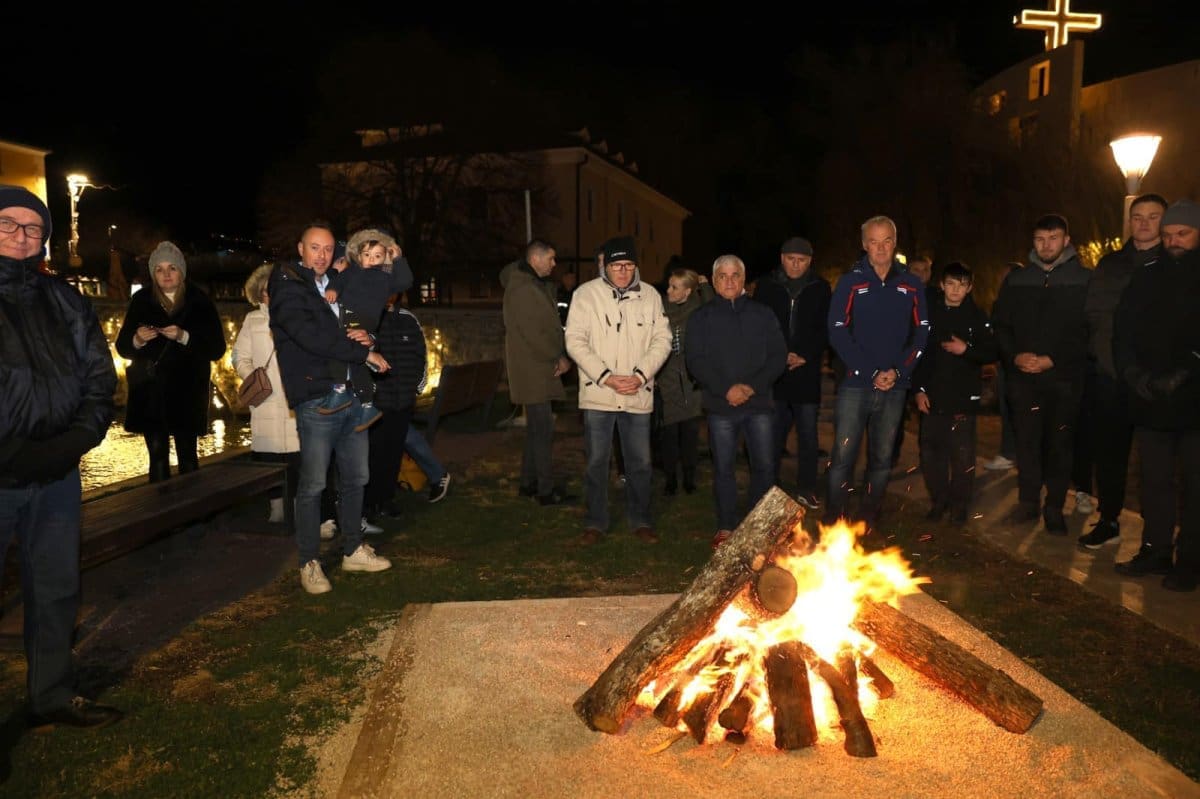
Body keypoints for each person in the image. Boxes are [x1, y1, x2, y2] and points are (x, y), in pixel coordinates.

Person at [0, 185, 123, 728]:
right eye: (8, 224)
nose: (20, 236)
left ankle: (50, 693)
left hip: (57, 473)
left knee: (55, 587)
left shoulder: (69, 301)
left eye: (32, 228)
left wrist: (72, 444)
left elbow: (100, 381)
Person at [268, 221, 394, 594]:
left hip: (352, 394)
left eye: (327, 249)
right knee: (314, 484)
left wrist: (367, 336)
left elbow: (359, 323)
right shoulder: (289, 285)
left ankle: (353, 548)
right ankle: (309, 561)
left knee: (357, 477)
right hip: (317, 398)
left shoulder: (336, 283)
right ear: (300, 249)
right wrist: (363, 352)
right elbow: (312, 337)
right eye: (314, 248)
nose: (322, 255)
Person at [1112, 200, 1200, 591]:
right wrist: (1133, 373)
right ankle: (1157, 548)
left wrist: (1184, 372)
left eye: (1182, 234)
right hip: (1150, 400)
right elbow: (1123, 330)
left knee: (1195, 485)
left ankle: (1192, 559)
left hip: (1194, 402)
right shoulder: (1146, 276)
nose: (1173, 241)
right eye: (1168, 235)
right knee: (1154, 481)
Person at [823, 216, 930, 534]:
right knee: (843, 456)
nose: (880, 248)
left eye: (886, 241)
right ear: (864, 244)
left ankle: (869, 518)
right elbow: (837, 331)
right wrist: (869, 371)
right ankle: (834, 521)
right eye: (874, 241)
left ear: (894, 244)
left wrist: (898, 371)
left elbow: (921, 332)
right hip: (856, 385)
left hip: (895, 387)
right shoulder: (850, 282)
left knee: (882, 459)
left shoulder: (911, 284)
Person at [565, 235, 672, 545]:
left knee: (640, 461)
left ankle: (640, 519)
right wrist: (606, 376)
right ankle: (596, 522)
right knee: (597, 461)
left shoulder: (650, 296)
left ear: (635, 266)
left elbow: (662, 340)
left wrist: (640, 375)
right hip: (599, 394)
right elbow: (575, 340)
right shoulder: (585, 295)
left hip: (637, 394)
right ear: (605, 266)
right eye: (616, 265)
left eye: (628, 265)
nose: (623, 271)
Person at [1074, 194, 1167, 549]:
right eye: (1138, 217)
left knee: (1155, 465)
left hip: (1152, 382)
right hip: (1110, 377)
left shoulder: (1172, 264)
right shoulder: (1111, 264)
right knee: (1110, 456)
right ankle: (1109, 519)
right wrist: (1110, 365)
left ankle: (1155, 536)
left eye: (1152, 216)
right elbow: (1094, 316)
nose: (1143, 223)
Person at [991, 214, 1091, 534]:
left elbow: (1089, 331)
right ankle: (1028, 502)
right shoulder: (1018, 280)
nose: (1046, 245)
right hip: (1023, 379)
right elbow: (1001, 325)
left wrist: (1053, 359)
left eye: (1053, 238)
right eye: (1039, 239)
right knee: (1027, 443)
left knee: (1060, 444)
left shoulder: (1084, 280)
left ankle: (1054, 508)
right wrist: (1015, 355)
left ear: (1066, 240)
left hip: (1063, 379)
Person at [686, 255, 787, 548]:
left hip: (759, 405)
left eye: (735, 276)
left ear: (743, 280)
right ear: (714, 280)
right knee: (724, 468)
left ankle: (758, 528)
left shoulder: (763, 314)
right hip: (721, 406)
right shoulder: (701, 318)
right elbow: (696, 360)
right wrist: (725, 389)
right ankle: (727, 526)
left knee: (765, 466)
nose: (729, 281)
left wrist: (752, 388)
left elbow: (777, 355)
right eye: (722, 276)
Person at [115, 241, 226, 482]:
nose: (166, 274)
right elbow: (123, 347)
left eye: (172, 268)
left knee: (188, 458)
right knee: (157, 458)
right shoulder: (142, 301)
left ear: (181, 271)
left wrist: (184, 337)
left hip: (187, 392)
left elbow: (217, 349)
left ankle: (191, 517)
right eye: (159, 269)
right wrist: (137, 340)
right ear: (153, 273)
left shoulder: (199, 302)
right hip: (150, 392)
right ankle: (159, 514)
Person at [911, 262, 998, 523]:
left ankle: (959, 506)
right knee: (931, 452)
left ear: (969, 287)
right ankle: (939, 500)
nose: (955, 290)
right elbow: (919, 355)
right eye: (950, 284)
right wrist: (919, 390)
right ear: (942, 284)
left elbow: (992, 351)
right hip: (933, 397)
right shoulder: (930, 315)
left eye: (961, 285)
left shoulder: (977, 317)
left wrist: (966, 350)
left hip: (963, 397)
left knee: (961, 455)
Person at [753, 236, 831, 509]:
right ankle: (769, 489)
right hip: (776, 373)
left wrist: (807, 355)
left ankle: (807, 487)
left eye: (801, 260)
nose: (795, 265)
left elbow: (825, 328)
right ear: (781, 258)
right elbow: (760, 326)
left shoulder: (820, 287)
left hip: (806, 374)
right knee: (773, 435)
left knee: (808, 436)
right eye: (790, 259)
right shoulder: (767, 286)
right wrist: (779, 354)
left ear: (810, 261)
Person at [317, 228, 413, 432]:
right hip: (350, 315)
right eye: (367, 255)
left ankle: (339, 388)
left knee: (339, 346)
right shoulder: (354, 271)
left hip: (361, 317)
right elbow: (339, 280)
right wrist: (332, 289)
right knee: (358, 357)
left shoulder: (385, 275)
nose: (371, 260)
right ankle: (367, 403)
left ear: (384, 258)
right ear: (358, 256)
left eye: (377, 256)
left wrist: (398, 260)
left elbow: (405, 281)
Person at [502, 239, 574, 505]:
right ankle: (544, 490)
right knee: (543, 430)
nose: (554, 264)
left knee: (537, 429)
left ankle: (528, 483)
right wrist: (559, 357)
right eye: (551, 259)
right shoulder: (524, 288)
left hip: (534, 367)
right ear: (535, 259)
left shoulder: (530, 284)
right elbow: (535, 332)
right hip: (535, 368)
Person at [232, 263, 300, 523]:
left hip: (292, 394)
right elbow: (239, 355)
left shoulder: (296, 316)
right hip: (265, 398)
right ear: (258, 293)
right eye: (265, 289)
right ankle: (276, 507)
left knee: (297, 455)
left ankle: (295, 504)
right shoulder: (253, 320)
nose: (270, 293)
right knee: (268, 455)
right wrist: (253, 376)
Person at [364, 294, 428, 521]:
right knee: (374, 454)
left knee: (393, 454)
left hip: (403, 399)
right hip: (378, 401)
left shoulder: (408, 319)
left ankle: (386, 499)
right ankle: (369, 504)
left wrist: (416, 387)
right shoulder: (367, 317)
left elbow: (422, 354)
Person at [656, 268, 708, 496]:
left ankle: (689, 478)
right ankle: (670, 479)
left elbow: (713, 307)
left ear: (687, 291)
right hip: (666, 379)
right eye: (669, 285)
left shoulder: (697, 309)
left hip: (690, 381)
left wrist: (705, 285)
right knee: (668, 435)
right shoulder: (660, 309)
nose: (668, 290)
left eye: (674, 287)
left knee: (689, 433)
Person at [982, 262, 1023, 472]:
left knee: (1016, 412)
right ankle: (1011, 453)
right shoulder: (1003, 302)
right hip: (1007, 364)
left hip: (1016, 365)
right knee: (1008, 412)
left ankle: (1012, 454)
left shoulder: (1015, 301)